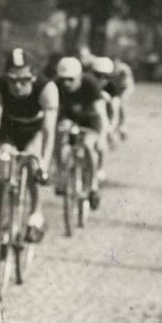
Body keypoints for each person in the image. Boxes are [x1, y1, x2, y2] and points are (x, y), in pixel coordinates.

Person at [0, 46, 58, 252]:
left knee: (33, 164)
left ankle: (36, 214)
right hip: (10, 128)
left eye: (24, 80)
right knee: (2, 168)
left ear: (33, 76)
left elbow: (49, 131)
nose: (18, 85)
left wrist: (45, 164)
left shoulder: (47, 88)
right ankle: (3, 225)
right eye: (12, 80)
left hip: (35, 130)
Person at [52, 55, 111, 209]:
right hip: (69, 117)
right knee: (59, 139)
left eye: (71, 79)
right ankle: (61, 175)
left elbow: (101, 114)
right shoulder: (55, 85)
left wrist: (102, 137)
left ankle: (93, 186)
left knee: (88, 145)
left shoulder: (90, 84)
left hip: (90, 119)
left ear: (79, 77)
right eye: (63, 79)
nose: (66, 83)